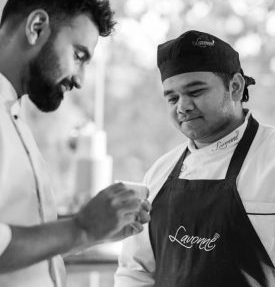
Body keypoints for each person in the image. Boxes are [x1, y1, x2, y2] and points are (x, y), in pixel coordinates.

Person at [0, 0, 151, 286]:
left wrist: (95, 230)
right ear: (37, 28)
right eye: (79, 55)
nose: (80, 80)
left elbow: (15, 235)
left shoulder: (13, 116)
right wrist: (81, 228)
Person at [114, 30, 275, 287]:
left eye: (196, 91)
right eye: (172, 97)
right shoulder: (158, 174)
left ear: (235, 87)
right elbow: (136, 271)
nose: (183, 106)